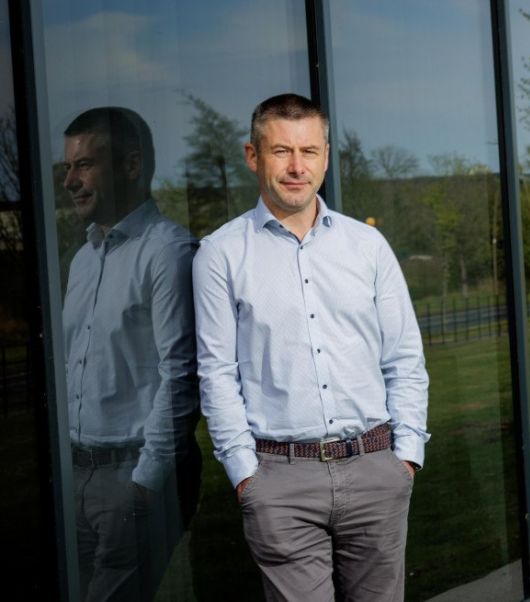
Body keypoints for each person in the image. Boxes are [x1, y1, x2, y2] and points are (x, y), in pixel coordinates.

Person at [193, 93, 429, 601]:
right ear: (253, 156)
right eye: (281, 152)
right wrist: (245, 477)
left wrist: (406, 456)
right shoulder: (220, 254)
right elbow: (217, 374)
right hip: (280, 481)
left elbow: (405, 358)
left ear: (325, 156)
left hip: (376, 470)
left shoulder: (367, 247)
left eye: (310, 151)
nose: (297, 167)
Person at [61, 106, 202, 600]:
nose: (70, 181)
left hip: (135, 477)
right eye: (67, 168)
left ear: (131, 165)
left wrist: (145, 485)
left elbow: (181, 377)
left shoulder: (168, 251)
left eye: (84, 165)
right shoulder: (83, 259)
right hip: (77, 473)